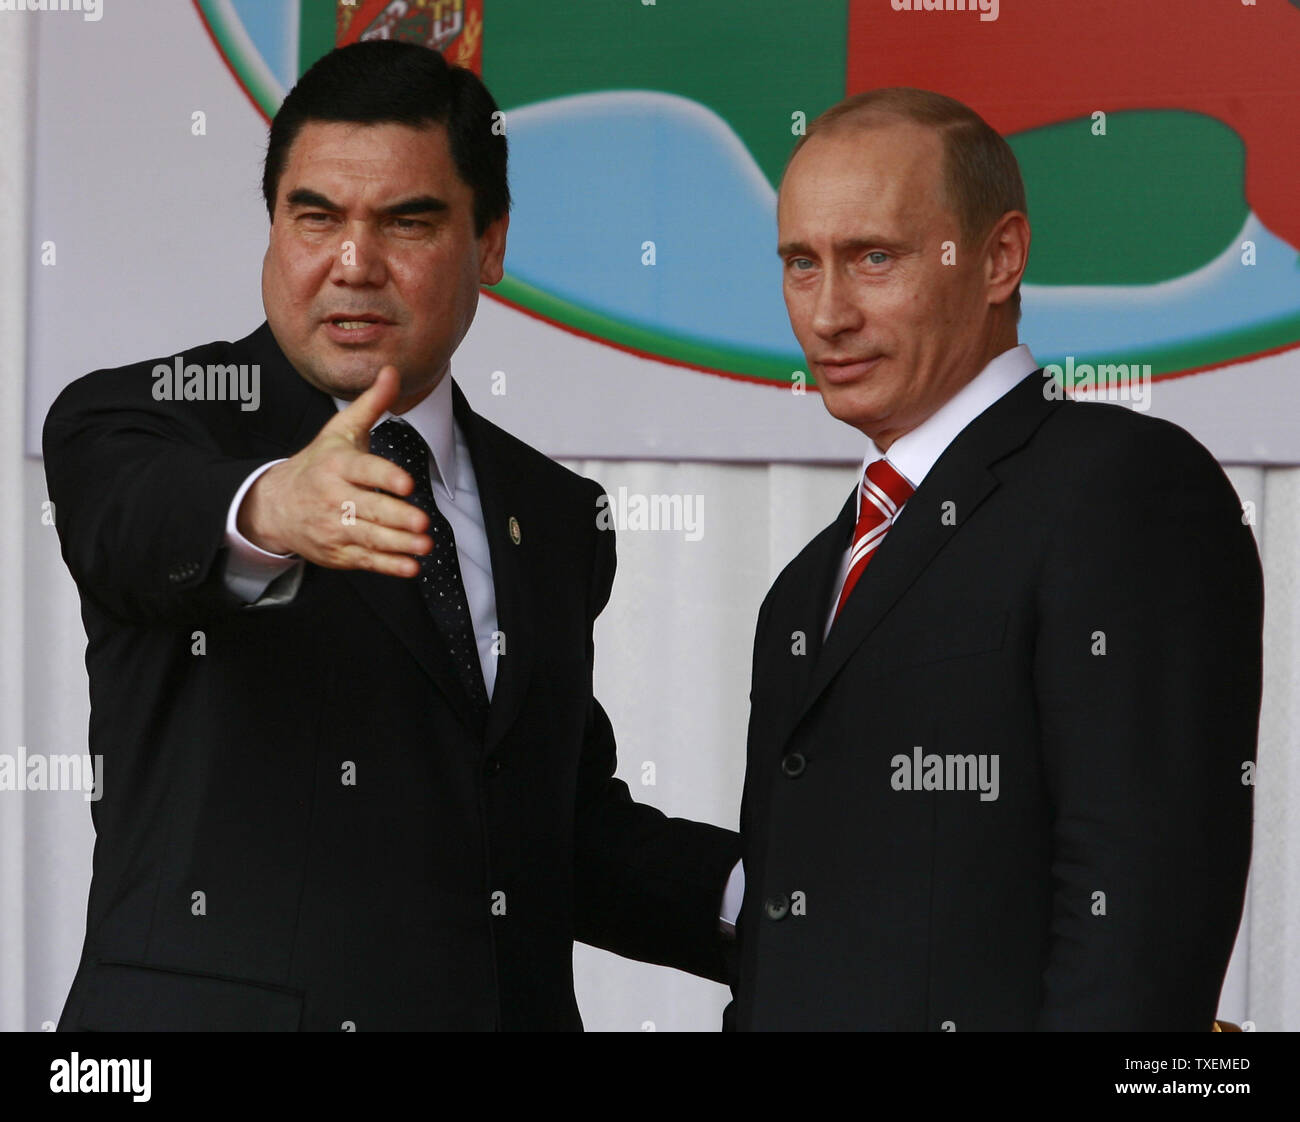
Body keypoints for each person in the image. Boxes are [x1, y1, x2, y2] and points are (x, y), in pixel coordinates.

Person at [44, 40, 738, 1032]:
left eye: (406, 222)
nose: (352, 263)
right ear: (274, 228)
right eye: (313, 216)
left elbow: (547, 831)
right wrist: (276, 505)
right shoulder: (141, 422)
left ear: (489, 245)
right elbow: (142, 518)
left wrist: (775, 899)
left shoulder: (552, 513)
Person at [722, 88, 1263, 1030]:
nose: (830, 313)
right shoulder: (808, 584)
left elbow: (1140, 922)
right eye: (801, 264)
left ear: (999, 257)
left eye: (874, 258)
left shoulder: (1124, 489)